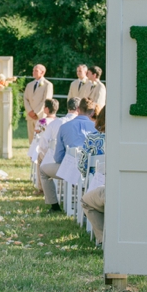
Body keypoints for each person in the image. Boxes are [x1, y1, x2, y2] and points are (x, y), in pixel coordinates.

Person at [39, 98, 96, 212]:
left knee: (43, 170)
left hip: (71, 170)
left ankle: (54, 206)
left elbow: (58, 157)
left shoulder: (64, 127)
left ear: (78, 109)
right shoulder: (96, 127)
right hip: (91, 172)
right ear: (92, 112)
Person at [80, 106, 106, 244]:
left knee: (86, 200)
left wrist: (86, 177)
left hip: (98, 184)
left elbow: (82, 165)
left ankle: (103, 239)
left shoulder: (92, 138)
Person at [23, 64, 53, 144]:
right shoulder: (29, 85)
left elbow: (46, 100)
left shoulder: (48, 85)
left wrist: (36, 112)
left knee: (40, 139)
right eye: (33, 70)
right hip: (30, 116)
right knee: (31, 139)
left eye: (36, 71)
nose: (33, 72)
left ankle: (40, 156)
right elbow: (25, 99)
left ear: (42, 72)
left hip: (41, 116)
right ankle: (32, 156)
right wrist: (29, 111)